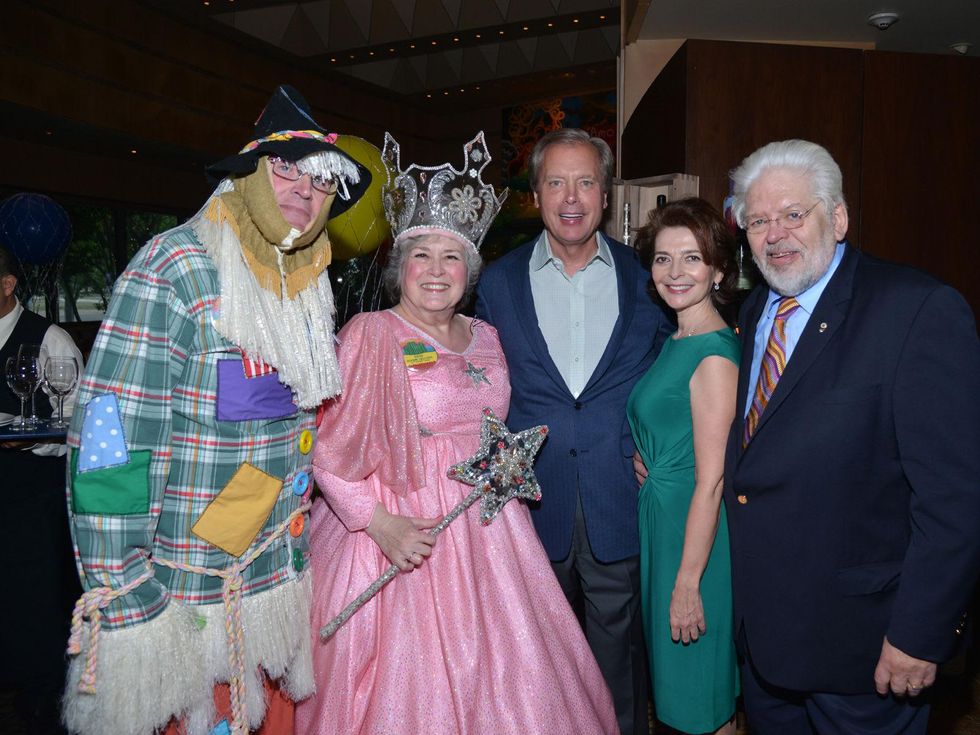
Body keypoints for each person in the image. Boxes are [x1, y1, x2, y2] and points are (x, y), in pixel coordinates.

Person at [61, 85, 371, 735]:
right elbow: (108, 440)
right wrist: (128, 599)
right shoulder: (177, 266)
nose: (306, 189)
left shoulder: (305, 285)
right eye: (287, 166)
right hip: (184, 617)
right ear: (247, 174)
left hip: (269, 601)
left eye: (322, 179)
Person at [297, 132, 618, 734]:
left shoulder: (488, 338)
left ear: (470, 269)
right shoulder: (371, 335)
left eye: (452, 257)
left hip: (495, 537)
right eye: (422, 255)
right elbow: (329, 456)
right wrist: (381, 524)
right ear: (401, 267)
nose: (437, 272)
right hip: (405, 536)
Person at [725, 139, 980, 734]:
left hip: (866, 649)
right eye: (759, 220)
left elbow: (954, 497)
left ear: (837, 218)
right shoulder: (754, 310)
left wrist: (920, 632)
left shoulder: (915, 310)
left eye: (794, 214)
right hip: (766, 643)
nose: (775, 234)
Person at [475, 128, 671, 734]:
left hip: (621, 495)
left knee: (620, 662)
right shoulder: (494, 283)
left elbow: (676, 382)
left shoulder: (650, 280)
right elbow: (471, 382)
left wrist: (663, 454)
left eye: (586, 181)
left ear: (606, 195)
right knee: (533, 661)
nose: (571, 197)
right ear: (535, 193)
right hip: (530, 504)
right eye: (556, 182)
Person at [627, 198, 740, 735]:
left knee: (700, 695)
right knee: (676, 691)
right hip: (664, 522)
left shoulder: (714, 353)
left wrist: (689, 582)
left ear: (718, 269)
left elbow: (712, 479)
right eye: (663, 258)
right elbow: (675, 424)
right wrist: (647, 455)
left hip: (692, 538)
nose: (675, 273)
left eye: (692, 259)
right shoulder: (678, 338)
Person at [1, 245, 84, 735]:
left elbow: (78, 414)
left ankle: (44, 704)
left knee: (35, 605)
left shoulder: (48, 338)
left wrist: (34, 437)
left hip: (34, 499)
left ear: (8, 284)